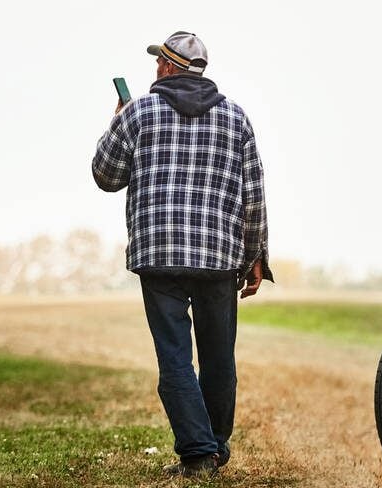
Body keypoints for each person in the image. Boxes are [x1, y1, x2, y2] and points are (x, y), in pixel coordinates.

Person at [92, 31, 273, 478]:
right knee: (218, 357)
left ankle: (198, 454)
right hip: (218, 257)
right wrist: (256, 256)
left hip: (159, 255)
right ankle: (215, 446)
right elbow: (254, 196)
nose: (155, 68)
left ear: (168, 68)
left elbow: (105, 175)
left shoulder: (139, 112)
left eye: (158, 63)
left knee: (174, 357)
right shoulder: (236, 119)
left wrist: (118, 121)